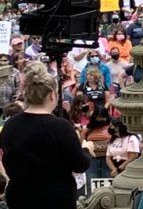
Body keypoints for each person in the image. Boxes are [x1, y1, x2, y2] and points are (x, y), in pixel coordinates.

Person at [0, 63, 92, 207]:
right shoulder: (60, 126)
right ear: (52, 94)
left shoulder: (10, 125)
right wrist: (87, 149)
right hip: (55, 199)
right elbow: (80, 164)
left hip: (20, 198)